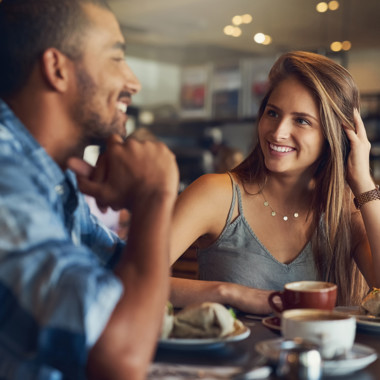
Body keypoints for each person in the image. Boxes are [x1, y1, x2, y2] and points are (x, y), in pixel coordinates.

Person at [0, 1, 179, 380]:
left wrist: (238, 296)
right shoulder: (5, 175)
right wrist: (154, 194)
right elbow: (118, 357)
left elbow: (115, 272)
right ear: (57, 69)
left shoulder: (51, 175)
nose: (133, 81)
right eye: (116, 57)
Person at [169, 51, 380, 314]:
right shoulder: (216, 194)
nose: (278, 132)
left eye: (302, 121)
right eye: (273, 113)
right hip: (230, 356)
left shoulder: (344, 211)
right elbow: (130, 277)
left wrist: (363, 182)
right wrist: (228, 293)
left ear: (335, 136)